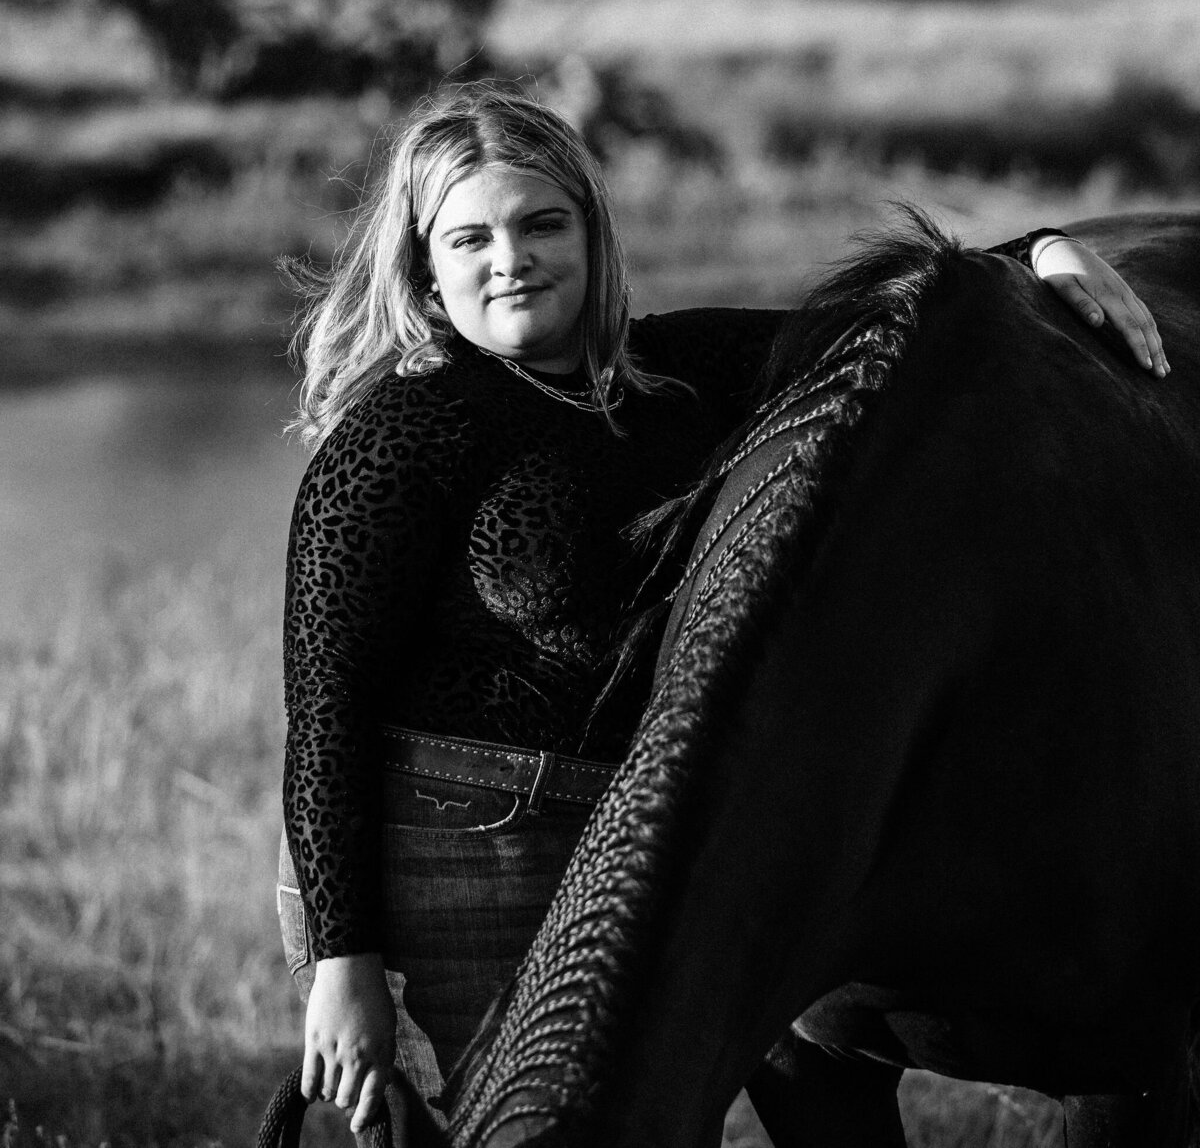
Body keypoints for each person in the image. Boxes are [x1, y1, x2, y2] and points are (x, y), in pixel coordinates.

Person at [277, 81, 1167, 1140]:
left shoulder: (679, 374)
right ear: (423, 264)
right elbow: (324, 721)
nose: (509, 259)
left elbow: (911, 333)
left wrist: (1048, 251)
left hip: (640, 829)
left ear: (592, 233)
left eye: (541, 223)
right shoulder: (399, 435)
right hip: (454, 849)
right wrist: (345, 966)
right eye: (467, 237)